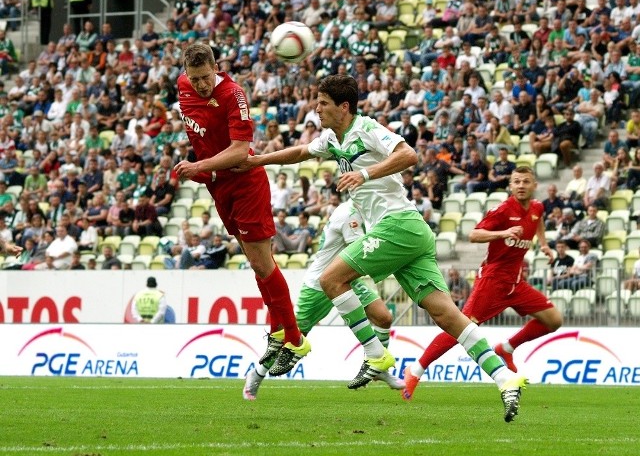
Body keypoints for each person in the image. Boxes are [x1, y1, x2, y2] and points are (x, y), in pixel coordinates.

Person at [235, 74, 526, 422]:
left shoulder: (368, 128)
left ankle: (376, 355)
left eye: (323, 103)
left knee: (331, 280)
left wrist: (366, 174)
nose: (317, 108)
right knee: (447, 315)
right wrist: (257, 161)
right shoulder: (331, 138)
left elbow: (409, 154)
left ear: (344, 107)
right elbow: (300, 152)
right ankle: (505, 377)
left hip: (398, 225)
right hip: (411, 234)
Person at [174, 43, 309, 377]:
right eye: (195, 79)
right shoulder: (183, 86)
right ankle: (279, 332)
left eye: (206, 77)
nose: (201, 85)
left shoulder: (234, 94)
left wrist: (200, 165)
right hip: (219, 186)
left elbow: (239, 151)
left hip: (246, 183)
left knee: (263, 263)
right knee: (256, 264)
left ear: (216, 67)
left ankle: (294, 339)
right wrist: (205, 172)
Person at [400, 167, 562, 412]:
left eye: (525, 181)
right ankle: (415, 370)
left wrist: (545, 245)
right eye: (516, 181)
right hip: (493, 280)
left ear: (533, 185)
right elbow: (474, 234)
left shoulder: (537, 208)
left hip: (516, 282)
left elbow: (537, 223)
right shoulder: (503, 210)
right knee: (461, 326)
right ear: (510, 185)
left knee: (554, 320)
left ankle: (506, 348)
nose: (520, 185)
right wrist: (503, 232)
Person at [243, 200, 405, 400]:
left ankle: (378, 364)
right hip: (319, 284)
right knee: (293, 338)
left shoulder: (361, 210)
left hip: (346, 279)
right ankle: (256, 375)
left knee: (383, 318)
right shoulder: (351, 214)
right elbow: (362, 250)